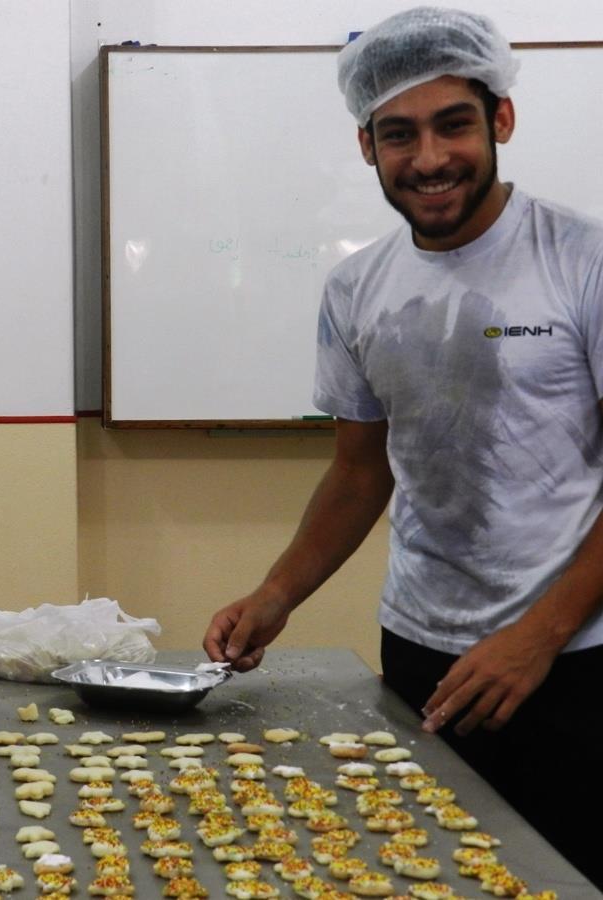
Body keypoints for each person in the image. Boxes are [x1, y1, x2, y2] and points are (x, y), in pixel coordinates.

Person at [203, 7, 603, 888]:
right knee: (436, 873)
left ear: (500, 118)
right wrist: (277, 595)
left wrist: (538, 636)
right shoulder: (357, 289)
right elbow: (359, 468)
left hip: (576, 658)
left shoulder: (583, 261)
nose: (428, 158)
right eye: (399, 134)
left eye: (453, 123)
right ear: (366, 146)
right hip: (422, 650)